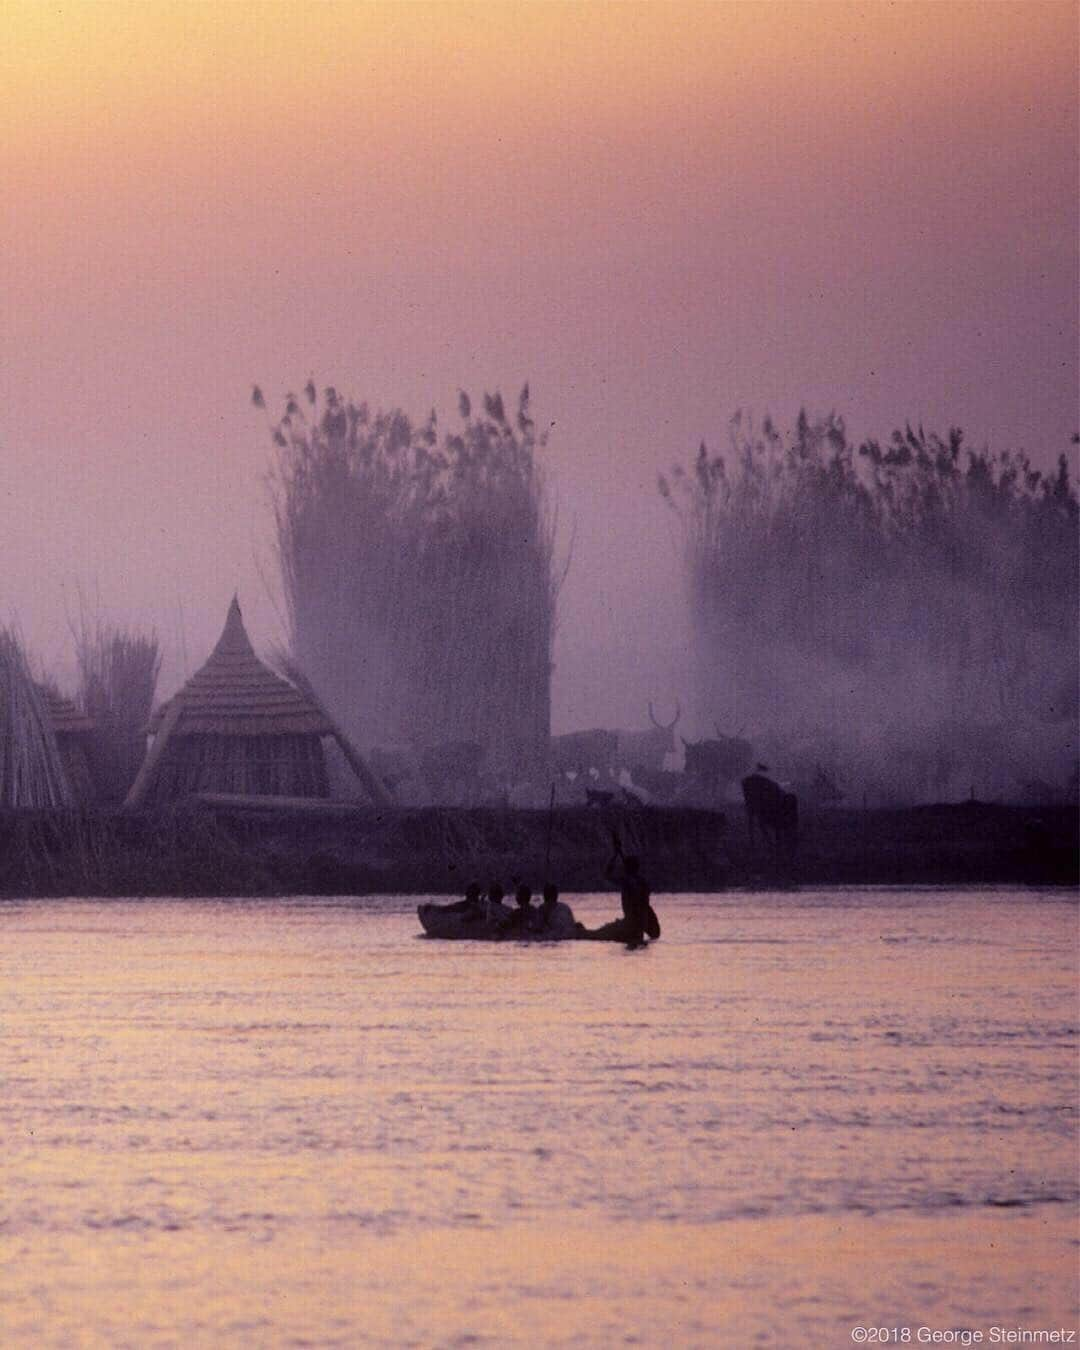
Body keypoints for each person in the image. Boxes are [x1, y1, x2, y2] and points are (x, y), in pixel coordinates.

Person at [579, 832, 660, 947]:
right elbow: (655, 932)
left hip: (630, 926)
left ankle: (582, 932)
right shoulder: (643, 883)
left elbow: (606, 874)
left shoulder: (627, 881)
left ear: (626, 869)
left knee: (592, 936)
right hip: (638, 926)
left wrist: (614, 855)